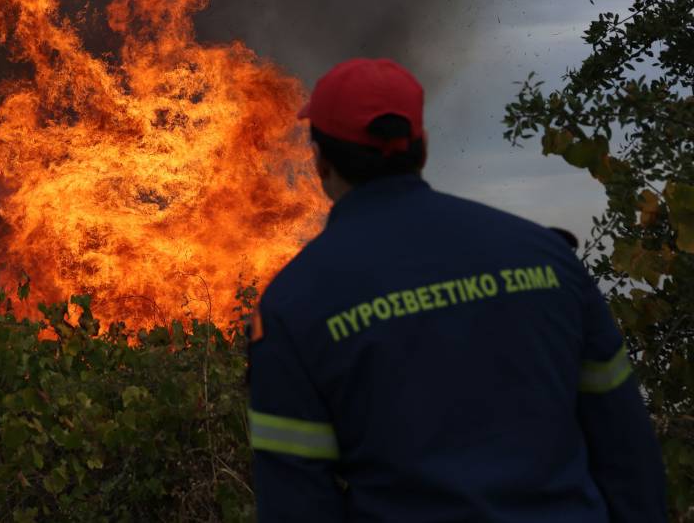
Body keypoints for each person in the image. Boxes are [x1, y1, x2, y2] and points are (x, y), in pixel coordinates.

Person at [248, 58, 667, 522]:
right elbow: (627, 452)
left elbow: (297, 501)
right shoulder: (546, 257)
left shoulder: (293, 304)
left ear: (320, 160)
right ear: (422, 148)